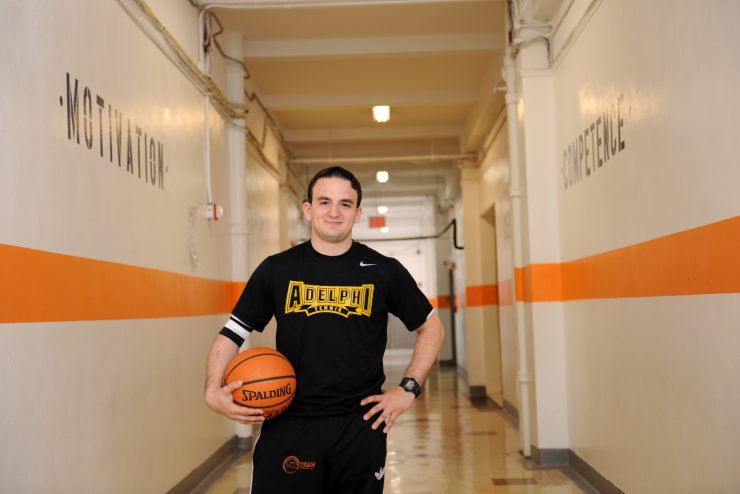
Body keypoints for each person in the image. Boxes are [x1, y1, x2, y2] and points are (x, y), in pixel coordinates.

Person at [204, 166, 445, 494]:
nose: (334, 212)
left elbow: (431, 327)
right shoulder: (277, 269)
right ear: (308, 209)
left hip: (359, 426)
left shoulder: (384, 271)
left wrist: (408, 390)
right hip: (289, 422)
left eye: (345, 204)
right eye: (324, 202)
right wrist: (211, 389)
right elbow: (233, 332)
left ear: (357, 213)